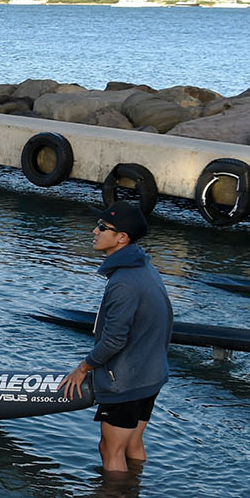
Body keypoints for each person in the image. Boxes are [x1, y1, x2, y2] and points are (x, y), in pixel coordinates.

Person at [59, 202, 174, 474]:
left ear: (122, 238)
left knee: (110, 450)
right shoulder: (145, 268)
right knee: (133, 445)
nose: (94, 231)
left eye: (102, 227)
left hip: (126, 382)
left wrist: (83, 368)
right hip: (151, 375)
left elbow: (113, 341)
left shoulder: (123, 282)